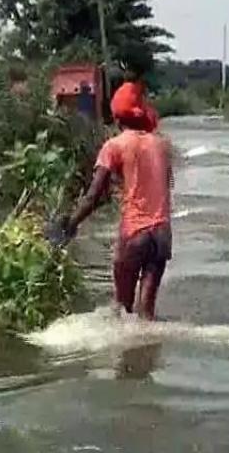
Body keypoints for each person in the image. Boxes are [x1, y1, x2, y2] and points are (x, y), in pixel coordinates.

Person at [59, 79, 174, 320]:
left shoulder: (114, 146)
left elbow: (93, 196)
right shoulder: (162, 145)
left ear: (117, 117)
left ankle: (128, 356)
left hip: (134, 233)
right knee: (146, 313)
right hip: (162, 235)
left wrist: (70, 224)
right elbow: (165, 185)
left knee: (121, 309)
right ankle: (147, 354)